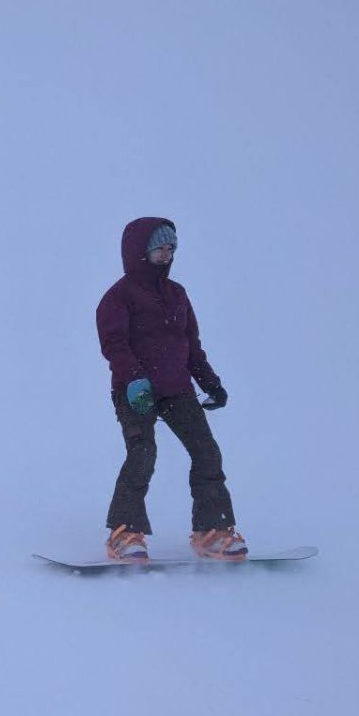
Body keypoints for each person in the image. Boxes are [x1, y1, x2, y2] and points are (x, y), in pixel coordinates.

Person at [95, 217, 245, 562]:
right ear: (139, 252)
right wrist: (134, 378)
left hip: (177, 389)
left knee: (207, 452)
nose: (166, 254)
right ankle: (124, 532)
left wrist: (210, 383)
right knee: (142, 453)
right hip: (136, 392)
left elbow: (191, 346)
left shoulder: (177, 294)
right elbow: (114, 344)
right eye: (159, 248)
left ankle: (213, 530)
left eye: (170, 248)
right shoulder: (118, 297)